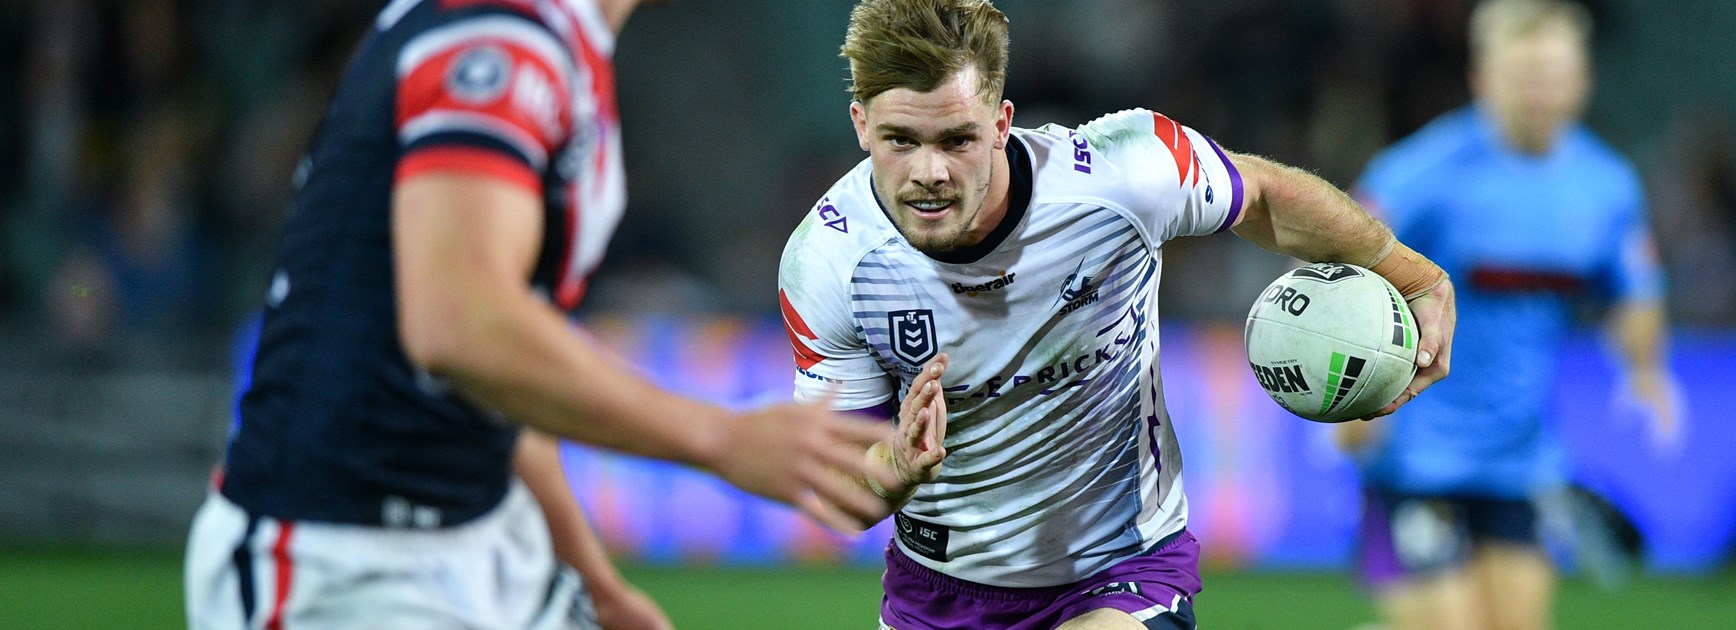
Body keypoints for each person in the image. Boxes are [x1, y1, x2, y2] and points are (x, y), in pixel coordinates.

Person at [183, 0, 899, 628]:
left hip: (463, 541)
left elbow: (503, 379)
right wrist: (720, 437)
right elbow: (460, 326)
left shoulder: (554, 45)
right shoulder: (497, 38)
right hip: (344, 560)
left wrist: (596, 586)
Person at [775, 1, 1458, 628]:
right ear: (860, 124)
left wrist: (1415, 276)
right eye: (901, 140)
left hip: (1121, 570)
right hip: (939, 594)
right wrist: (895, 463)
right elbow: (846, 494)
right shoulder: (829, 263)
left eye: (957, 140)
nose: (930, 172)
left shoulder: (1118, 175)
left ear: (1002, 123)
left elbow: (1263, 195)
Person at [1334, 2, 1676, 629]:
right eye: (1524, 76)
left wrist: (1646, 368)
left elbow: (1634, 291)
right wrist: (1349, 394)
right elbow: (1336, 259)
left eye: (1554, 76)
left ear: (1584, 80)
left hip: (1522, 456)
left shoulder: (1607, 187)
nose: (1540, 93)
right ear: (1482, 78)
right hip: (1414, 451)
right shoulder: (1421, 174)